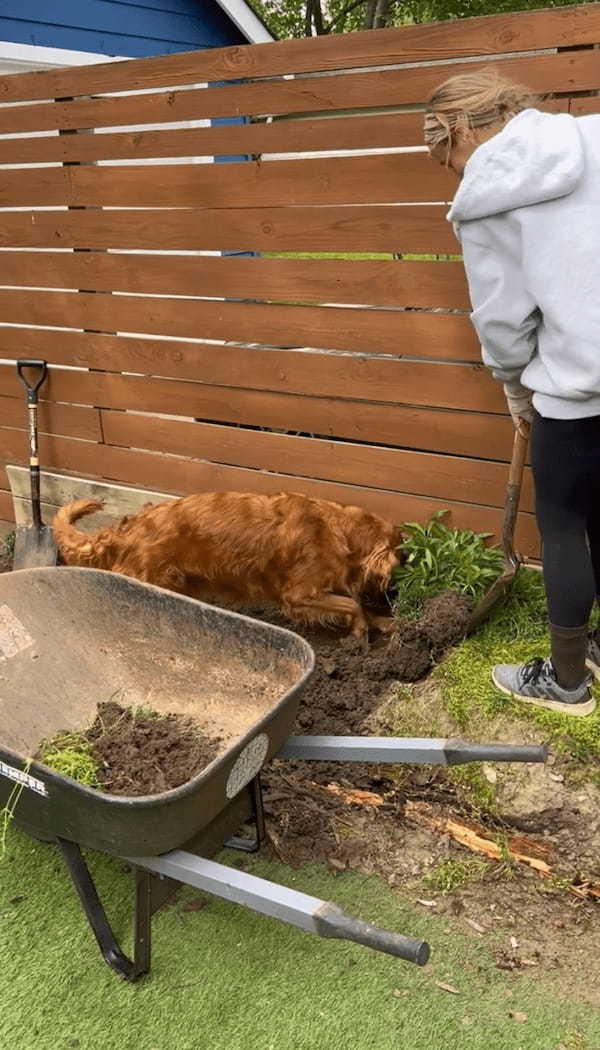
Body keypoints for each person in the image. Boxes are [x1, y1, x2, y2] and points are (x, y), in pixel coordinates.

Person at [423, 70, 600, 717]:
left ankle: (566, 682)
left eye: (447, 155)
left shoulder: (488, 190)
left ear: (459, 127)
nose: (452, 167)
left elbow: (502, 318)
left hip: (577, 390)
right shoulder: (595, 135)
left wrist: (514, 387)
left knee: (563, 527)